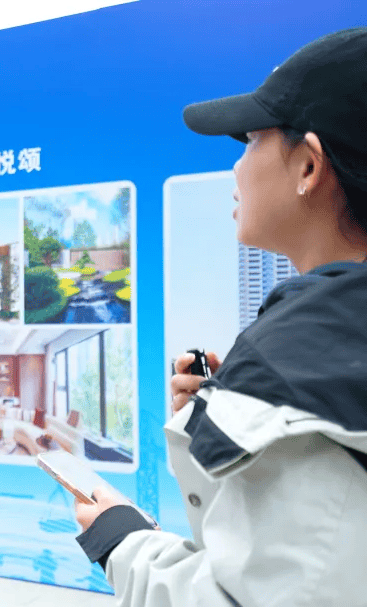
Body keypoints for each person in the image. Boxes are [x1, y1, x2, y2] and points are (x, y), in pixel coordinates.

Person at [74, 28, 367, 606]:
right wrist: (240, 422)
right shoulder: (328, 350)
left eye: (252, 139)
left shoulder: (298, 358)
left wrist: (120, 541)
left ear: (310, 166)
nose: (237, 166)